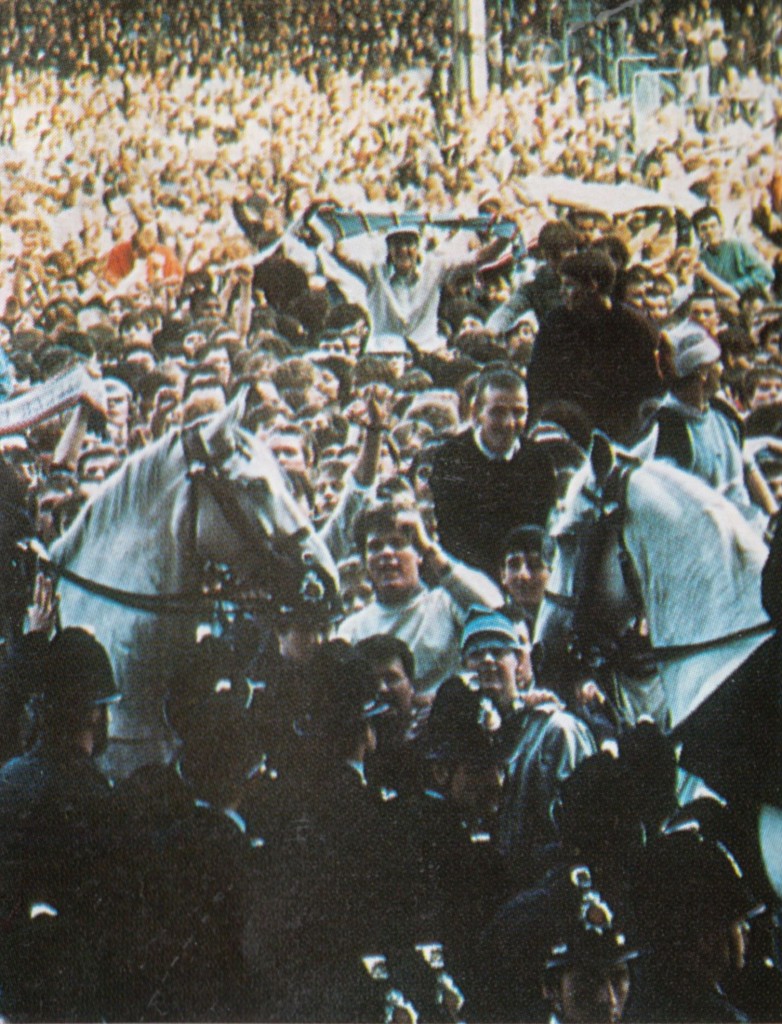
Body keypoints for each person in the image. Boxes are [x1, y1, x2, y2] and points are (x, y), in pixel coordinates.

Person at [460, 606, 596, 884]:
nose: (486, 660)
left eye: (497, 651)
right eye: (475, 654)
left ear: (518, 661)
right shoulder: (461, 734)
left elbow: (579, 826)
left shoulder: (555, 731)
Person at [337, 500, 503, 703]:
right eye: (375, 547)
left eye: (398, 543)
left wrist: (429, 548)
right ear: (365, 561)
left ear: (418, 555)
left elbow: (497, 611)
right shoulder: (353, 629)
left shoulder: (444, 604)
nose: (387, 553)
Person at [428, 364, 559, 577]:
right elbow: (452, 536)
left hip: (523, 576)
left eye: (518, 413)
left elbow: (540, 531)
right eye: (498, 412)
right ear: (476, 412)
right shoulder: (450, 458)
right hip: (468, 579)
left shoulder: (539, 462)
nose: (508, 423)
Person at [526, 249, 663, 444]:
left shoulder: (635, 327)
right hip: (565, 429)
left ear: (592, 285)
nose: (561, 292)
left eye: (569, 285)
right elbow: (538, 381)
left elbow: (651, 388)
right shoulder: (555, 323)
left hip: (620, 433)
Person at [652, 322, 778, 526]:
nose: (721, 369)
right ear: (702, 372)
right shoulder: (668, 428)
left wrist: (774, 517)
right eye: (716, 363)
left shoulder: (724, 413)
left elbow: (748, 467)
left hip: (751, 527)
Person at [333, 225, 509, 354]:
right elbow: (340, 253)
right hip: (383, 353)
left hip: (427, 351)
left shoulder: (435, 267)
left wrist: (505, 236)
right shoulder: (374, 271)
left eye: (409, 243)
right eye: (397, 244)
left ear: (417, 247)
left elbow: (479, 259)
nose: (403, 250)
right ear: (389, 249)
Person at [692, 206, 774, 303]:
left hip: (751, 300)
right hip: (724, 306)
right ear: (698, 234)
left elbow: (767, 273)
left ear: (721, 228)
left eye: (713, 226)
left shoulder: (738, 246)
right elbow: (700, 291)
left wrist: (736, 287)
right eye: (703, 228)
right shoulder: (702, 258)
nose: (709, 232)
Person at [498, 524, 555, 631]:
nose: (523, 575)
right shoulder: (493, 625)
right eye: (514, 565)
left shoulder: (568, 624)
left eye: (535, 565)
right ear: (503, 575)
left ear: (552, 572)